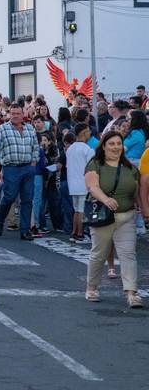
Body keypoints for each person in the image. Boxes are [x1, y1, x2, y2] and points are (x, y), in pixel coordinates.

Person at [84, 131, 143, 308]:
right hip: (104, 218)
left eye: (118, 143)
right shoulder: (95, 164)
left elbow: (137, 192)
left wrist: (142, 207)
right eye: (111, 144)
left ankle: (131, 293)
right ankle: (91, 287)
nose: (116, 147)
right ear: (103, 146)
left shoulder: (131, 168)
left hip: (127, 217)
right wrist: (106, 199)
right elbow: (92, 187)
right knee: (99, 254)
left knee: (128, 255)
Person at [0, 104, 39, 240]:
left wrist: (33, 165)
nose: (15, 116)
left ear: (22, 114)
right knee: (9, 197)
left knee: (27, 200)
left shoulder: (30, 128)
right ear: (9, 114)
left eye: (18, 113)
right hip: (11, 168)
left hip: (28, 168)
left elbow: (35, 148)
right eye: (13, 113)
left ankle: (25, 230)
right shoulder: (2, 129)